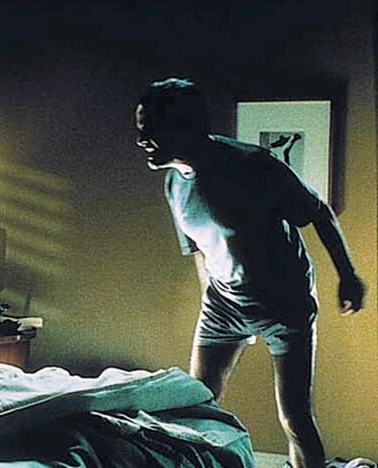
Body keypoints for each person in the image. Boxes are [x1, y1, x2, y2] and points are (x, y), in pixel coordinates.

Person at [134, 78, 364, 468]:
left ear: (183, 127)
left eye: (149, 130)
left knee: (295, 419)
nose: (141, 140)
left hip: (284, 305)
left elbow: (318, 213)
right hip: (223, 304)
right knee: (197, 405)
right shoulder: (173, 183)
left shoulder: (252, 166)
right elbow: (199, 250)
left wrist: (348, 275)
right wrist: (215, 301)